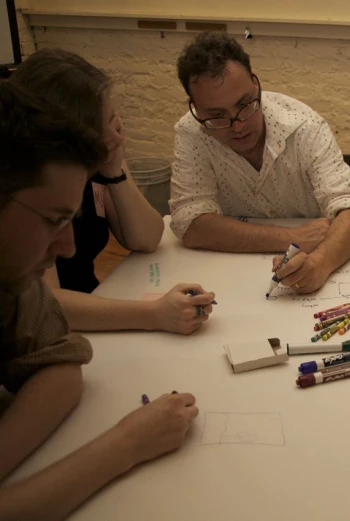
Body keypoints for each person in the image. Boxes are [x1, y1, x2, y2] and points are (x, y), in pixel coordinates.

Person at [0, 81, 198, 520]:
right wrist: (123, 445)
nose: (68, 246)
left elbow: (62, 364)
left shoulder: (12, 283)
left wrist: (114, 168)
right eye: (54, 220)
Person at [11, 49, 215, 335]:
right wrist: (154, 314)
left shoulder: (94, 161)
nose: (118, 135)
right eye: (105, 124)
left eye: (114, 118)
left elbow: (146, 238)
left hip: (93, 309)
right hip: (65, 325)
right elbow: (44, 304)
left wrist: (114, 169)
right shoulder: (27, 186)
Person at [171, 32, 350, 294]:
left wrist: (320, 264)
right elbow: (190, 224)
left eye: (245, 104)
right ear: (195, 109)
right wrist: (291, 237)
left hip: (314, 260)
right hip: (231, 281)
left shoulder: (304, 126)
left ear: (256, 85)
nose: (239, 125)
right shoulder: (190, 133)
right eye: (217, 116)